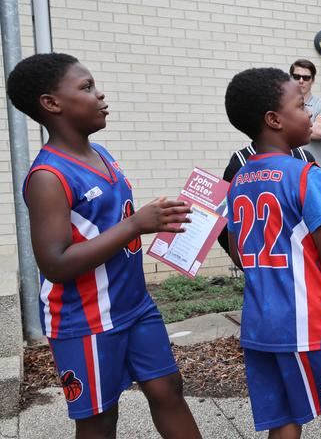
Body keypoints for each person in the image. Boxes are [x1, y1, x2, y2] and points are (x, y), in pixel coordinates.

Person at [6, 53, 202, 439]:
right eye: (86, 87)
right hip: (86, 319)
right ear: (51, 103)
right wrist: (135, 225)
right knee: (99, 419)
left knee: (169, 390)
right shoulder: (48, 175)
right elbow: (55, 263)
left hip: (135, 306)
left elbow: (109, 225)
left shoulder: (102, 155)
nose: (100, 94)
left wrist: (158, 220)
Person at [224, 67, 321, 438]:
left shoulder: (238, 181)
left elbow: (235, 249)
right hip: (312, 324)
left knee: (285, 421)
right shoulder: (306, 175)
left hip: (260, 326)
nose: (310, 113)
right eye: (301, 106)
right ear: (274, 120)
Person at [216, 143, 315, 254]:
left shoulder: (305, 158)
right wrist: (247, 264)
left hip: (305, 261)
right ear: (274, 124)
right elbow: (223, 223)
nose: (311, 125)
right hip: (261, 262)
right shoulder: (239, 163)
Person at [290, 59, 321, 171]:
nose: (301, 81)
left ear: (313, 80)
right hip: (290, 174)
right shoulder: (281, 105)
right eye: (296, 76)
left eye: (306, 78)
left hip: (316, 173)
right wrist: (313, 126)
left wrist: (289, 128)